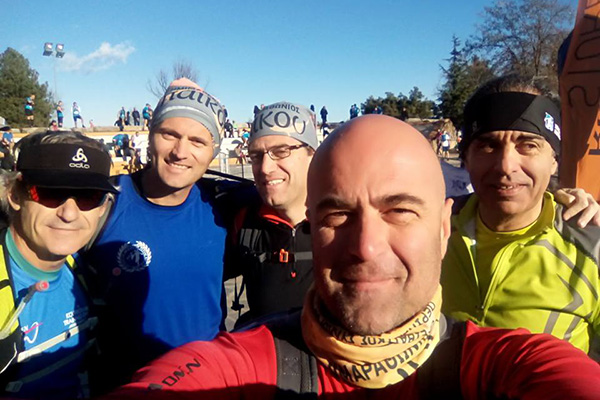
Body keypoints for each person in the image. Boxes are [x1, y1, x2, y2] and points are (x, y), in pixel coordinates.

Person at [104, 115, 600, 399]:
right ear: (311, 224)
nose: (366, 246)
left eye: (400, 211)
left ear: (445, 225)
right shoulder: (247, 364)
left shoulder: (505, 364)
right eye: (338, 215)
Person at [81, 78, 230, 392]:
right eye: (169, 134)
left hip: (208, 385)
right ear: (150, 136)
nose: (180, 152)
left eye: (197, 141)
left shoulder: (223, 205)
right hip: (125, 388)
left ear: (213, 152)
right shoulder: (103, 202)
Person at [441, 74, 600, 356]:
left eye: (528, 145)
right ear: (466, 158)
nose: (506, 165)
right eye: (488, 145)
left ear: (554, 160)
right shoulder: (430, 229)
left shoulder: (592, 247)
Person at [0, 130, 118, 399]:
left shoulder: (88, 270)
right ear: (15, 195)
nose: (69, 213)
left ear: (103, 207)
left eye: (89, 196)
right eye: (50, 193)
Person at [225, 102, 316, 327]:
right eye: (256, 155)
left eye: (281, 151)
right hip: (263, 348)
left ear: (312, 154)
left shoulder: (345, 222)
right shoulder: (241, 221)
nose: (265, 168)